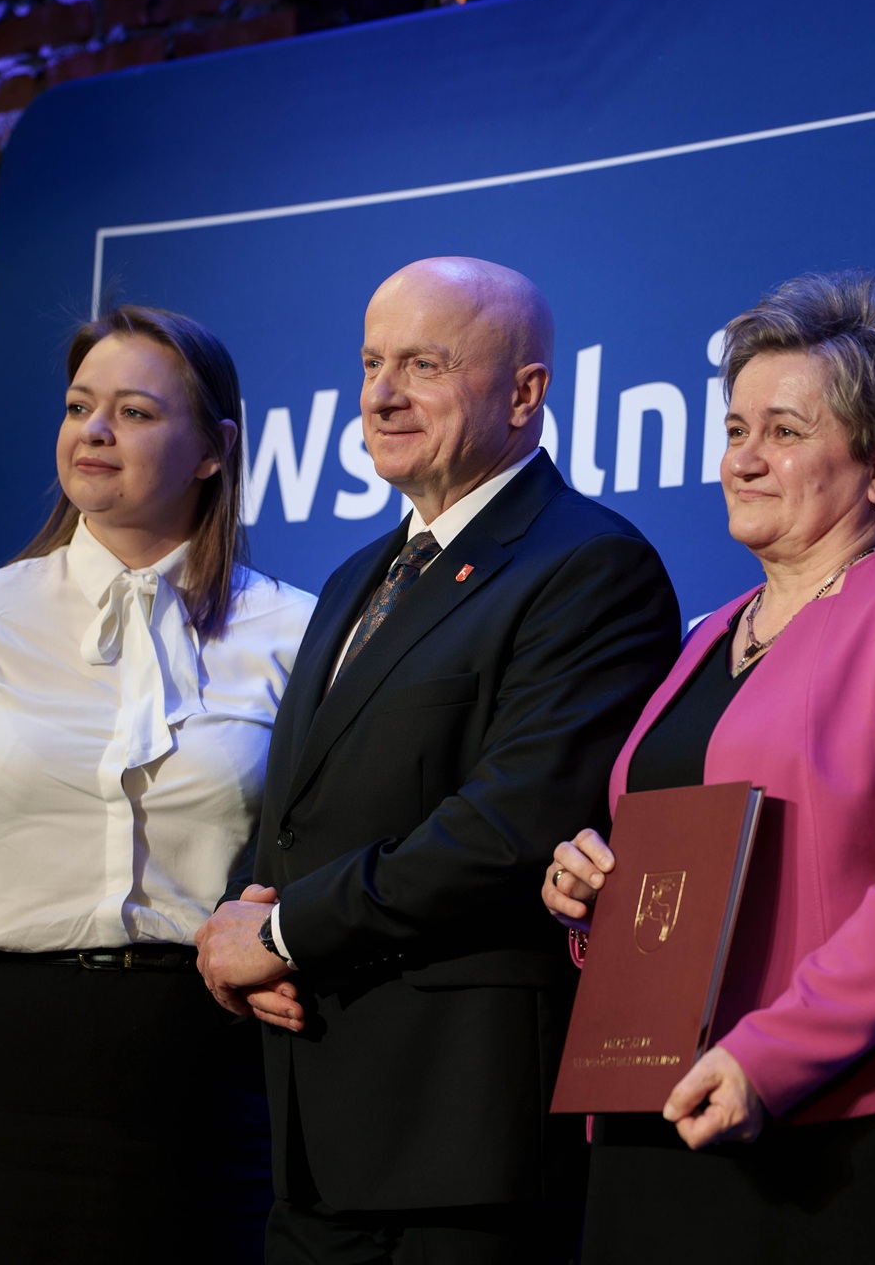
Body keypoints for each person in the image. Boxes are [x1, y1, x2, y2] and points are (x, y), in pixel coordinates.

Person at [193, 256, 681, 1265]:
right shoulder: (354, 578)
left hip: (462, 1141)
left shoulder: (590, 566)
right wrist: (240, 916)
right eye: (371, 362)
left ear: (525, 393)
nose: (381, 394)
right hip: (313, 1125)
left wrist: (283, 931)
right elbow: (303, 810)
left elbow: (510, 828)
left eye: (423, 364)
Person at [543, 269, 875, 1263]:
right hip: (665, 1112)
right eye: (735, 429)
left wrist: (769, 1058)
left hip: (853, 1128)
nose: (743, 459)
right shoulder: (706, 636)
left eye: (784, 431)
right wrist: (594, 898)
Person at [0, 305, 313, 1265]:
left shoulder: (295, 629)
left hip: (206, 1074)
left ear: (214, 451)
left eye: (134, 412)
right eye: (78, 406)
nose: (93, 431)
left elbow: (313, 858)